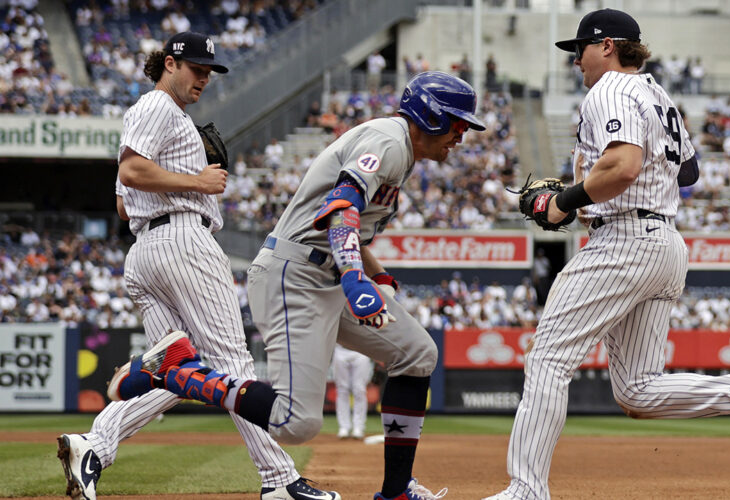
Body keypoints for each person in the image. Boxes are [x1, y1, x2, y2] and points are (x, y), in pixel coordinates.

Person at [106, 71, 486, 500]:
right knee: (295, 423)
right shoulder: (389, 139)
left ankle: (396, 492)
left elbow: (351, 229)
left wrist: (374, 274)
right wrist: (356, 278)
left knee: (418, 354)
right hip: (296, 276)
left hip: (326, 273)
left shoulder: (399, 149)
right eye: (457, 125)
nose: (461, 136)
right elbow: (341, 207)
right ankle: (175, 372)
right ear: (431, 118)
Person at [484, 9, 730, 500]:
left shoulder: (609, 88)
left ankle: (527, 490)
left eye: (581, 49)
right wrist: (594, 192)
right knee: (636, 388)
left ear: (607, 45)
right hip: (664, 243)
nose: (577, 61)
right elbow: (688, 172)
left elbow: (626, 165)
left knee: (548, 360)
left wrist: (563, 201)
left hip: (625, 242)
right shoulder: (658, 94)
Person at [56, 32, 340, 500]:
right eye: (197, 69)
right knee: (231, 362)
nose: (204, 79)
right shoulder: (157, 107)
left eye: (209, 72)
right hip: (183, 241)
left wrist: (179, 180)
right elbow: (131, 174)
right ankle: (280, 481)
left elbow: (124, 205)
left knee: (178, 371)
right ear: (170, 64)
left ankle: (95, 445)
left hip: (146, 249)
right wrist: (198, 181)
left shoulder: (157, 118)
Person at [333, 344, 374, 439]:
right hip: (340, 349)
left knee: (359, 390)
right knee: (342, 390)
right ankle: (344, 427)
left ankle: (358, 427)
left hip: (361, 349)